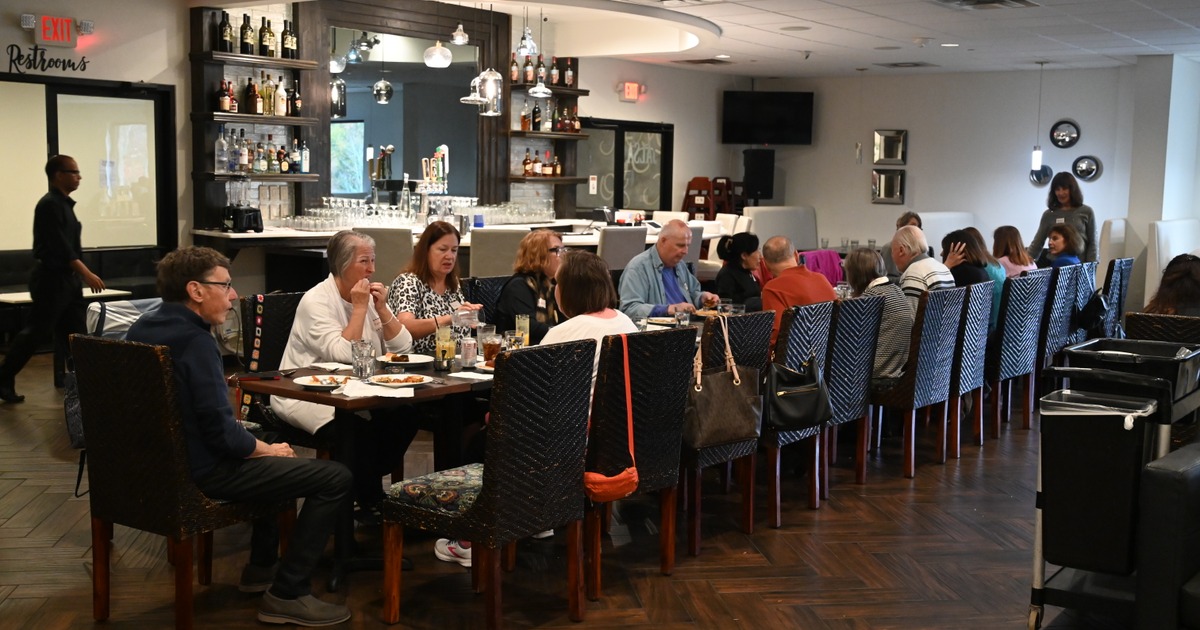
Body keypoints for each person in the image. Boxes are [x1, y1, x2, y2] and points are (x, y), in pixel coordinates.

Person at [126, 247, 353, 627]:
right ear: (196, 291)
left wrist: (261, 446)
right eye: (226, 285)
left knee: (263, 439)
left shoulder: (141, 328)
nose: (233, 296)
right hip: (200, 472)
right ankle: (287, 592)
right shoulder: (196, 342)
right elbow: (223, 437)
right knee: (334, 476)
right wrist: (268, 450)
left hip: (150, 464)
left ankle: (261, 567)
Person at [434, 251, 637, 568]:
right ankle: (538, 518)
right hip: (612, 444)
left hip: (567, 449)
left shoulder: (565, 333)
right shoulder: (625, 322)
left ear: (568, 289)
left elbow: (530, 400)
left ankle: (473, 539)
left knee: (481, 440)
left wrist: (494, 417)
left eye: (557, 282)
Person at [274, 230, 416, 518]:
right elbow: (342, 353)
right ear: (341, 264)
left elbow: (404, 345)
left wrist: (382, 309)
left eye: (373, 260)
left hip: (360, 391)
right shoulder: (317, 301)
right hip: (309, 395)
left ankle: (361, 489)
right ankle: (369, 501)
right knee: (357, 432)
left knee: (406, 414)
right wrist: (360, 308)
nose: (372, 269)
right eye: (364, 261)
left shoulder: (367, 298)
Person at [0, 155, 105, 403]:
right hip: (50, 279)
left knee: (76, 334)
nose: (79, 176)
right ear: (59, 174)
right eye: (74, 172)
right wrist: (86, 273)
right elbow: (60, 247)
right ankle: (3, 377)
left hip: (66, 281)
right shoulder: (49, 205)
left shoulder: (64, 205)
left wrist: (79, 275)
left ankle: (87, 384)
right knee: (37, 332)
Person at [386, 221, 482, 354]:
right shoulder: (409, 282)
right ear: (426, 251)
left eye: (454, 250)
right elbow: (404, 327)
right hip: (418, 365)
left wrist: (469, 317)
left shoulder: (452, 283)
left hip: (455, 361)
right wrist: (451, 319)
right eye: (443, 249)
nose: (450, 256)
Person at [618, 219, 718, 320]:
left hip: (687, 326)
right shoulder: (638, 268)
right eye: (680, 245)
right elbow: (629, 309)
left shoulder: (680, 265)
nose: (686, 251)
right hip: (658, 331)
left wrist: (702, 298)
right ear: (663, 241)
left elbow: (693, 293)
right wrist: (668, 309)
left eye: (688, 245)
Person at [844, 248, 914, 386]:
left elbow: (847, 339)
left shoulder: (870, 300)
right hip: (898, 370)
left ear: (855, 275)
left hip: (878, 374)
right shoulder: (896, 290)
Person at [759, 235, 836, 348]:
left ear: (764, 264)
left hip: (798, 361)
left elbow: (777, 338)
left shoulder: (772, 288)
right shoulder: (821, 279)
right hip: (831, 356)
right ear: (796, 255)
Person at [493, 229, 563, 344]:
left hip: (547, 347)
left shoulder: (554, 284)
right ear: (538, 255)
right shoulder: (519, 286)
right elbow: (528, 326)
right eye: (557, 250)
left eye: (563, 250)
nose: (563, 255)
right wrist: (563, 332)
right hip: (519, 352)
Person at [1027, 171, 1097, 264]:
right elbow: (1038, 242)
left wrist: (1092, 265)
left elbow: (1093, 242)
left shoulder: (1086, 211)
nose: (1060, 193)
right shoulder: (1048, 214)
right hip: (1055, 263)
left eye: (1064, 189)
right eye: (1057, 189)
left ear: (1072, 190)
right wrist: (1025, 262)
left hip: (1080, 265)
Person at [943, 229, 1003, 329]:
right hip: (982, 334)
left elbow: (938, 302)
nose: (941, 254)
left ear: (956, 250)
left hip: (963, 337)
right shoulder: (981, 271)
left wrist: (946, 266)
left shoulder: (961, 272)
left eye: (944, 249)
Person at [892, 225, 955, 311]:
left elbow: (910, 320)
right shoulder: (943, 268)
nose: (892, 256)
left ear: (901, 250)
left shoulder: (913, 273)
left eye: (892, 251)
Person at [713, 232, 763, 311]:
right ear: (744, 255)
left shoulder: (747, 272)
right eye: (756, 250)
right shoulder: (727, 275)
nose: (760, 256)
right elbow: (725, 307)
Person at [881, 211, 927, 283]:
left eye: (919, 227)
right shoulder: (890, 248)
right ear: (902, 227)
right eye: (913, 226)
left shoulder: (921, 249)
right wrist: (910, 279)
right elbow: (885, 279)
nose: (916, 229)